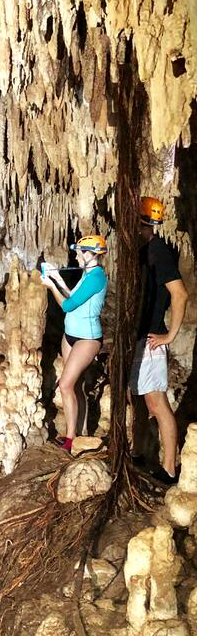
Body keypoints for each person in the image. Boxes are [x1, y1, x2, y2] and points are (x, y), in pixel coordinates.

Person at [129, 197, 189, 485]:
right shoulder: (144, 252)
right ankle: (138, 453)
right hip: (140, 338)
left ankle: (169, 470)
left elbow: (180, 294)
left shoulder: (158, 251)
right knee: (139, 399)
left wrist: (170, 335)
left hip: (153, 338)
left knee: (157, 403)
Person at [41, 236, 108, 451]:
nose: (76, 256)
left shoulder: (96, 277)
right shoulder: (88, 274)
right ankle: (77, 432)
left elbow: (68, 306)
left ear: (90, 254)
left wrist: (51, 286)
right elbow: (74, 297)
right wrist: (57, 278)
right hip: (70, 335)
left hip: (87, 339)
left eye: (79, 252)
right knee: (74, 385)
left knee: (65, 384)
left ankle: (71, 438)